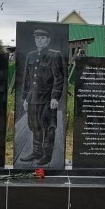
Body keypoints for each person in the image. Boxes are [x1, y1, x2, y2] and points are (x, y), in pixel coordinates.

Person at [21, 28, 65, 165]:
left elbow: (59, 78)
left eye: (42, 38)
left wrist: (55, 97)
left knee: (48, 127)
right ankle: (36, 152)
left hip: (47, 99)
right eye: (37, 38)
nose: (39, 41)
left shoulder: (54, 55)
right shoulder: (31, 55)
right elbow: (27, 79)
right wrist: (25, 99)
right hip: (33, 98)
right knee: (35, 126)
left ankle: (47, 155)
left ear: (48, 40)